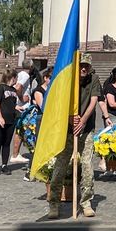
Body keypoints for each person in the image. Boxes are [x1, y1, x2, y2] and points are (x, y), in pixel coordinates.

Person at [46, 56, 101, 219]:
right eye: (81, 65)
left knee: (87, 166)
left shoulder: (94, 79)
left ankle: (86, 202)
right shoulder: (67, 78)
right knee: (60, 167)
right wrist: (70, 117)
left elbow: (94, 101)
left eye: (86, 66)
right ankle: (54, 203)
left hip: (86, 129)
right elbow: (59, 102)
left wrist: (82, 121)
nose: (84, 69)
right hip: (67, 130)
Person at [0, 71, 19, 175]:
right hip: (0, 120)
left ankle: (4, 165)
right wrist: (0, 117)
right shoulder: (0, 88)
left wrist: (17, 107)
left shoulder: (14, 90)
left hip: (11, 120)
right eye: (16, 77)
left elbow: (11, 103)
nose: (17, 80)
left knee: (7, 143)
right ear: (12, 78)